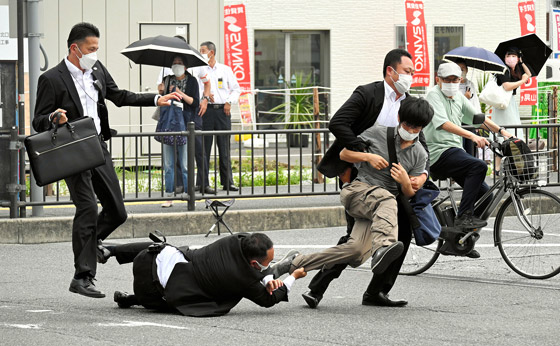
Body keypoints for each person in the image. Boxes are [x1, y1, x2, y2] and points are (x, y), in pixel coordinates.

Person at [32, 22, 181, 298]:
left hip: (97, 147)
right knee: (87, 208)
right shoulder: (52, 79)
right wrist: (54, 117)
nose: (95, 54)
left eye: (97, 49)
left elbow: (119, 96)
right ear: (74, 48)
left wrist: (156, 99)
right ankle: (83, 275)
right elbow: (37, 120)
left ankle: (92, 243)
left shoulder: (97, 70)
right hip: (72, 149)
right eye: (91, 49)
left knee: (117, 211)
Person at [304, 49, 430, 309]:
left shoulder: (408, 103)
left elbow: (421, 141)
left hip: (394, 182)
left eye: (413, 73)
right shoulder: (368, 94)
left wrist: (423, 175)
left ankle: (377, 291)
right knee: (355, 238)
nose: (410, 77)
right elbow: (338, 122)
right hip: (362, 177)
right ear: (390, 71)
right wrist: (363, 151)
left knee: (403, 233)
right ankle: (318, 288)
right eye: (407, 72)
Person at [278, 97, 432, 287]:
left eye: (417, 128)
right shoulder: (378, 133)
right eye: (408, 125)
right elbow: (343, 154)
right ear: (399, 118)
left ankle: (295, 261)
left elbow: (409, 194)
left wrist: (405, 181)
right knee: (387, 199)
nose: (410, 131)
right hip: (358, 192)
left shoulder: (420, 154)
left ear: (423, 127)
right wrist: (368, 157)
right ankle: (384, 246)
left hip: (380, 208)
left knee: (356, 251)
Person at [101, 233, 306, 317]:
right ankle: (133, 299)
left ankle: (111, 250)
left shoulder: (234, 240)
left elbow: (248, 238)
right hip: (152, 293)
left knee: (166, 248)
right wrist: (293, 276)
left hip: (146, 259)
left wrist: (267, 276)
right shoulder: (244, 279)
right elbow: (269, 301)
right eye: (268, 262)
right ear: (253, 263)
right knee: (183, 297)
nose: (269, 265)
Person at [424, 62, 513, 246]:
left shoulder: (458, 96)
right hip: (437, 153)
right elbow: (442, 124)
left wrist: (503, 132)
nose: (452, 83)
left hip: (455, 153)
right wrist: (471, 136)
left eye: (455, 79)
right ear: (437, 80)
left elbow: (478, 118)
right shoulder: (433, 95)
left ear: (460, 80)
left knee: (486, 195)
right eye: (447, 79)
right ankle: (463, 217)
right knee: (478, 165)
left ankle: (460, 240)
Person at [157, 35, 215, 194]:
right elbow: (160, 91)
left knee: (197, 150)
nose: (177, 65)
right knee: (173, 156)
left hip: (191, 117)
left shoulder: (196, 63)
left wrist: (204, 99)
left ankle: (202, 184)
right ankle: (177, 186)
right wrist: (162, 91)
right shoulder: (166, 71)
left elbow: (207, 83)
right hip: (172, 119)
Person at [197, 41, 241, 192]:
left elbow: (236, 89)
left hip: (223, 111)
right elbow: (196, 90)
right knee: (204, 149)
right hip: (205, 111)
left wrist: (229, 101)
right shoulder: (198, 69)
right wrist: (206, 96)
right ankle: (203, 183)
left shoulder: (225, 70)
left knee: (224, 148)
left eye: (203, 50)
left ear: (212, 52)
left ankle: (227, 182)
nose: (201, 52)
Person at [158, 56, 200, 207]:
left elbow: (194, 102)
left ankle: (190, 195)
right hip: (169, 124)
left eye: (180, 63)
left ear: (186, 67)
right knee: (168, 164)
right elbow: (163, 101)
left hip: (185, 125)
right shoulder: (167, 79)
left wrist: (179, 92)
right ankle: (169, 196)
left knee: (185, 164)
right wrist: (162, 93)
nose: (177, 66)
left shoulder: (192, 81)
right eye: (174, 63)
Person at [493, 47, 532, 174]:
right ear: (504, 58)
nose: (511, 58)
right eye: (509, 56)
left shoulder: (515, 70)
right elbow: (507, 86)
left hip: (510, 104)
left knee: (512, 134)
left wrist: (521, 62)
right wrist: (522, 81)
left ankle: (508, 168)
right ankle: (497, 168)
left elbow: (529, 74)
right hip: (503, 105)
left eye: (514, 56)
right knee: (503, 135)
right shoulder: (502, 70)